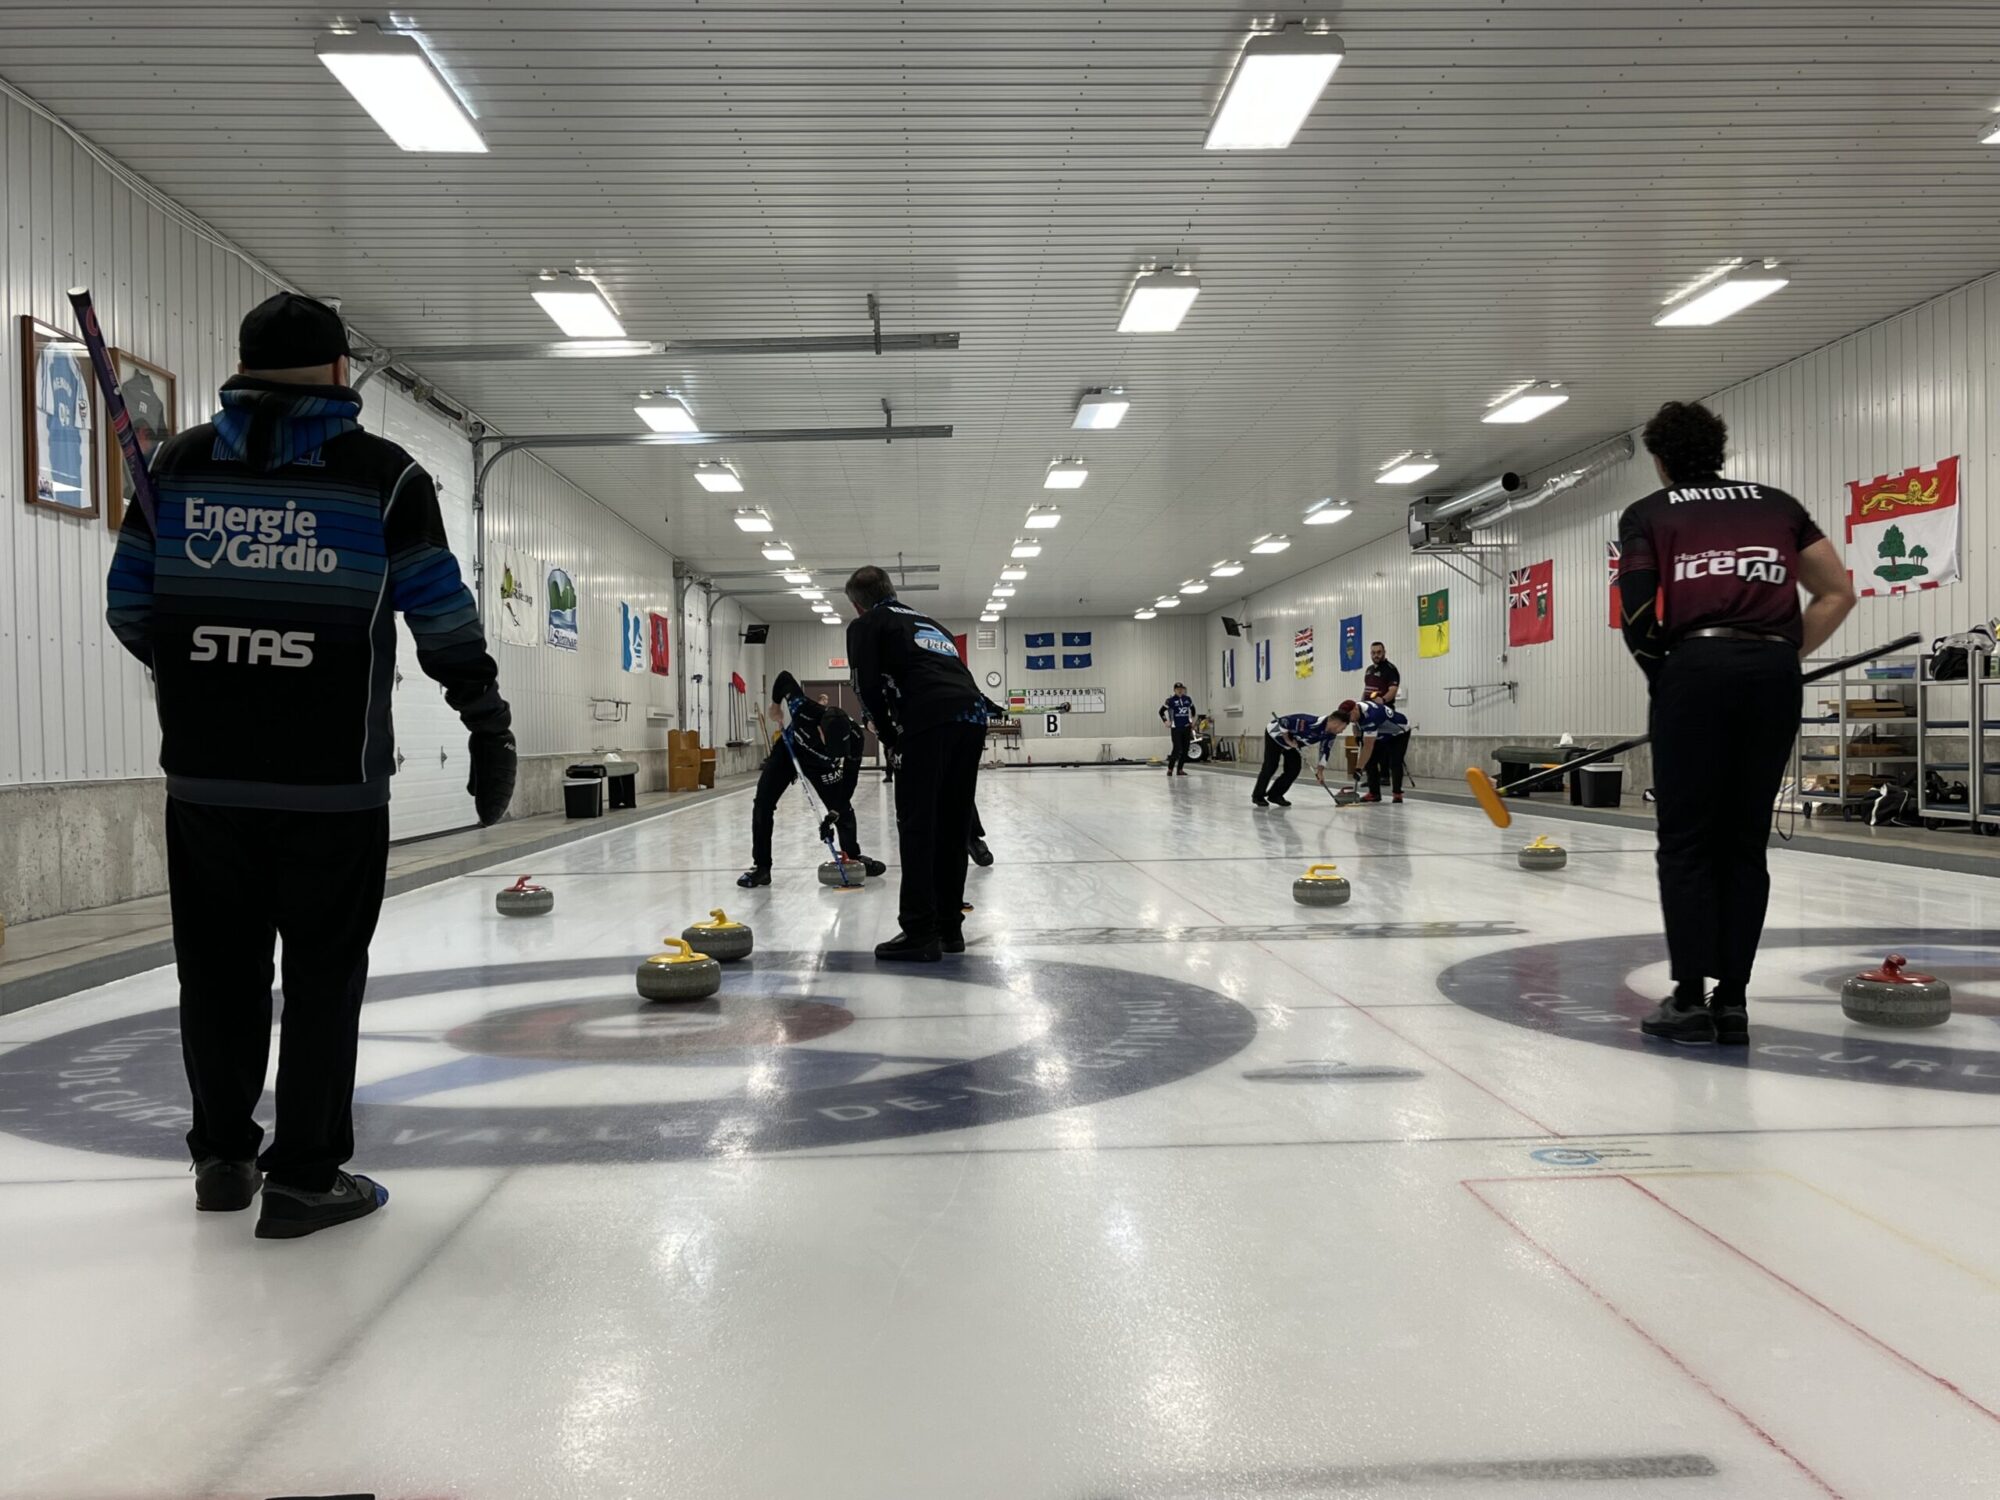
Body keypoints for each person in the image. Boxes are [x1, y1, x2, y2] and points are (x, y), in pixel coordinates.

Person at [104, 292, 515, 1239]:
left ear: (240, 366)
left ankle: (220, 1156)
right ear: (339, 374)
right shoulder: (387, 477)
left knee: (216, 974)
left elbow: (134, 608)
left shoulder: (176, 465)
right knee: (325, 977)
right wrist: (484, 725)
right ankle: (304, 1178)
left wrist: (212, 674)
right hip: (333, 785)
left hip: (205, 782)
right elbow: (443, 619)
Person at [1617, 400, 1855, 1045]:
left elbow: (1637, 616)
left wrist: (1669, 676)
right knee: (1744, 841)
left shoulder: (1648, 515)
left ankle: (1689, 999)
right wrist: (1780, 653)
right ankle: (1735, 1002)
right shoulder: (1779, 506)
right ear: (1719, 451)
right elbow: (1838, 590)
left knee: (1689, 839)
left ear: (1661, 461)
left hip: (1694, 667)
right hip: (1773, 674)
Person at [844, 565, 987, 961]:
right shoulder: (931, 625)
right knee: (953, 825)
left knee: (918, 827)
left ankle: (920, 932)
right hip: (971, 718)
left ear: (857, 604)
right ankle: (949, 929)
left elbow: (865, 686)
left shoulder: (867, 624)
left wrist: (891, 737)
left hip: (927, 721)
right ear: (891, 589)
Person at [739, 672, 886, 887]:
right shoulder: (803, 709)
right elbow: (783, 678)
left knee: (844, 811)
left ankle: (853, 858)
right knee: (762, 804)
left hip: (822, 768)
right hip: (789, 754)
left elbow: (849, 780)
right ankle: (761, 868)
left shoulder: (856, 736)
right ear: (820, 730)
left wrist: (833, 813)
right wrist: (775, 705)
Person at [1318, 699, 1410, 803]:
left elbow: (1368, 746)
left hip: (1398, 733)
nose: (1348, 720)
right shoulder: (1356, 712)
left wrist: (1358, 769)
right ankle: (1374, 793)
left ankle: (1397, 793)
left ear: (1355, 709)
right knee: (1370, 761)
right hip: (1380, 733)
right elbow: (1358, 728)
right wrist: (1358, 735)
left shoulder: (1371, 716)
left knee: (1395, 761)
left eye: (1349, 717)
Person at [1252, 711, 1338, 807]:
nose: (1342, 730)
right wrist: (1288, 740)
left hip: (1293, 743)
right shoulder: (1310, 721)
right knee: (1270, 766)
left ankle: (1275, 795)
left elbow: (1325, 750)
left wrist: (1320, 771)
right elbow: (1284, 722)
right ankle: (1257, 796)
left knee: (1294, 768)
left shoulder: (1331, 734)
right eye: (1342, 727)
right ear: (1335, 722)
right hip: (1275, 736)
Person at [1159, 681, 1199, 776]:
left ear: (1183, 690)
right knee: (1177, 749)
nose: (1180, 691)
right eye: (1177, 689)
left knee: (1185, 750)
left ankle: (1180, 769)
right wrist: (1166, 721)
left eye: (1181, 689)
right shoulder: (1170, 700)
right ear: (1174, 690)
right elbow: (1161, 712)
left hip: (1186, 728)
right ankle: (1170, 769)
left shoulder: (1187, 699)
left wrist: (1192, 721)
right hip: (1176, 728)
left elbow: (1193, 710)